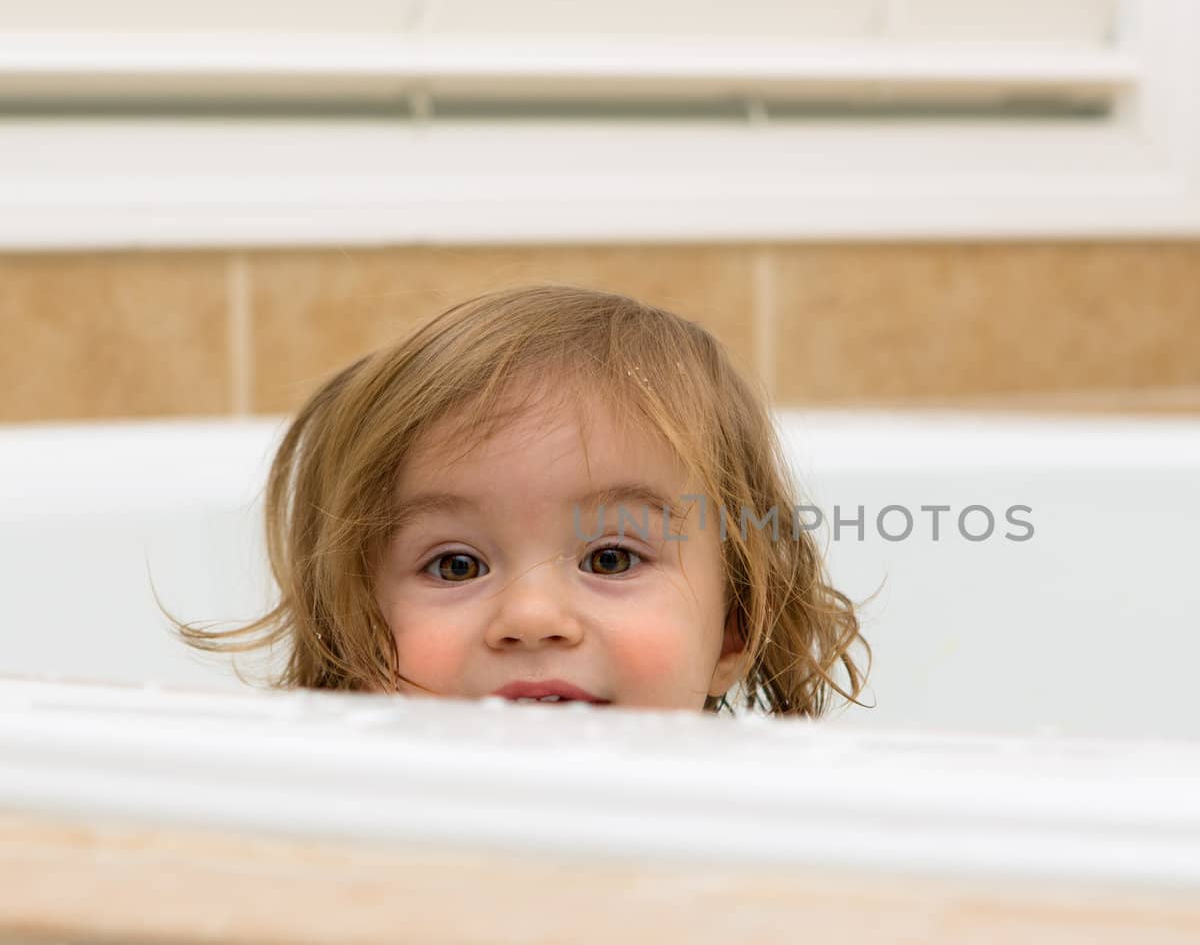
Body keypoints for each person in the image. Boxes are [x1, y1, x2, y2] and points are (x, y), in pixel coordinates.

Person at [181, 284, 869, 717]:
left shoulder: (772, 848)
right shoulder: (341, 852)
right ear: (358, 630)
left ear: (734, 628)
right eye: (455, 565)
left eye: (610, 559)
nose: (532, 619)